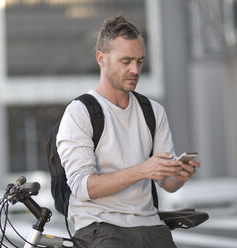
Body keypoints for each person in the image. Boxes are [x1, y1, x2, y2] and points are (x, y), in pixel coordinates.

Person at [56, 15, 200, 248]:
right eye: (126, 61)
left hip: (151, 226)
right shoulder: (80, 112)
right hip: (101, 227)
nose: (135, 69)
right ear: (101, 59)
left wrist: (180, 175)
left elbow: (167, 183)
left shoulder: (153, 111)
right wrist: (143, 170)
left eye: (140, 61)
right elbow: (83, 187)